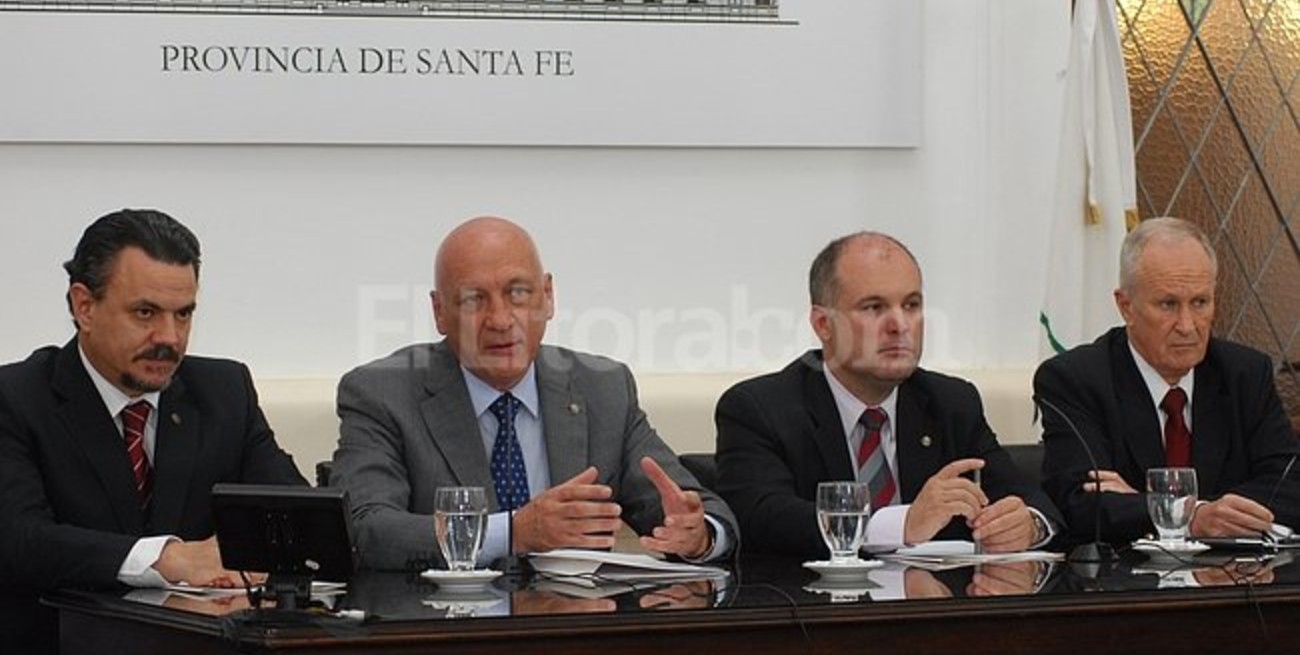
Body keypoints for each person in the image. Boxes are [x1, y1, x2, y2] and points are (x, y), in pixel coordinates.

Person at [330, 216, 737, 570]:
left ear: (548, 296)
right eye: (473, 300)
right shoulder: (382, 393)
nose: (500, 320)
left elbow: (700, 509)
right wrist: (513, 532)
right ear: (439, 312)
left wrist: (698, 535)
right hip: (444, 623)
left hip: (576, 622)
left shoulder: (604, 388)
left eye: (518, 293)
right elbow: (364, 529)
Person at [0, 209, 307, 653]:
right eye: (145, 312)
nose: (170, 337)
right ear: (84, 306)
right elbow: (21, 540)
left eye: (183, 314)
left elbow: (297, 514)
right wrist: (168, 558)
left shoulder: (224, 392)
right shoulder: (17, 399)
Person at [715, 231, 1061, 560]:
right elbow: (761, 519)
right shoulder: (760, 409)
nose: (900, 325)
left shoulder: (951, 402)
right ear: (823, 324)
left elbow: (1029, 498)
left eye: (911, 305)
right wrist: (899, 525)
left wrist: (1027, 525)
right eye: (873, 307)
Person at [1036, 217, 1300, 544]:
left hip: (1236, 569)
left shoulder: (1244, 373)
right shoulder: (1076, 379)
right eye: (1168, 304)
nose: (1187, 325)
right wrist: (1194, 516)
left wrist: (1161, 506)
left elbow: (1290, 485)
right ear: (1126, 306)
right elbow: (1079, 504)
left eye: (1200, 302)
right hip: (1126, 573)